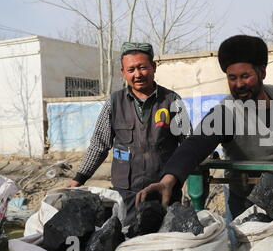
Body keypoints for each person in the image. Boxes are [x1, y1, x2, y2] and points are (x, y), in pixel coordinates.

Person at [135, 35, 273, 218]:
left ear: (262, 72)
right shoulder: (226, 112)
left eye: (245, 76)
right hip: (246, 204)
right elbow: (195, 144)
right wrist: (168, 180)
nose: (239, 84)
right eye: (232, 78)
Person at [67, 42, 190, 224]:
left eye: (142, 67)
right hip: (126, 193)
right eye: (131, 69)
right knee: (127, 240)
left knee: (163, 242)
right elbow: (99, 145)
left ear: (153, 67)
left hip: (163, 191)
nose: (137, 74)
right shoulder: (114, 103)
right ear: (123, 73)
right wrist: (79, 178)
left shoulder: (172, 101)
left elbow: (188, 142)